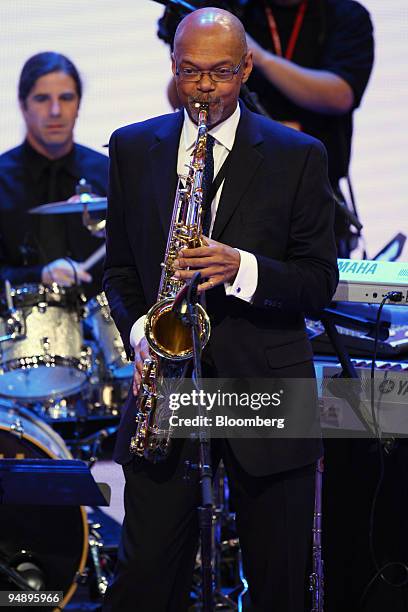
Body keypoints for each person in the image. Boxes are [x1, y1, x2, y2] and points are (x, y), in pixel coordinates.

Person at [102, 7, 338, 612]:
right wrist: (140, 331)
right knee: (145, 581)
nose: (205, 89)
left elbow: (318, 281)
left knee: (280, 585)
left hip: (265, 387)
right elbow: (122, 270)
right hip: (172, 389)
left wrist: (243, 269)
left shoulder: (299, 155)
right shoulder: (132, 147)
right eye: (191, 73)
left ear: (248, 68)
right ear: (174, 68)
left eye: (221, 73)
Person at [164, 0, 374, 257]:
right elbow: (178, 100)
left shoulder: (343, 14)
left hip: (313, 184)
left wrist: (261, 58)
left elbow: (341, 94)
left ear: (247, 65)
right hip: (233, 181)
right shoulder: (239, 10)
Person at [0, 52, 108, 298]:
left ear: (78, 105)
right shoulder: (1, 179)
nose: (56, 110)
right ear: (22, 105)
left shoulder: (109, 173)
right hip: (22, 330)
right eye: (42, 99)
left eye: (66, 98)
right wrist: (38, 275)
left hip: (104, 329)